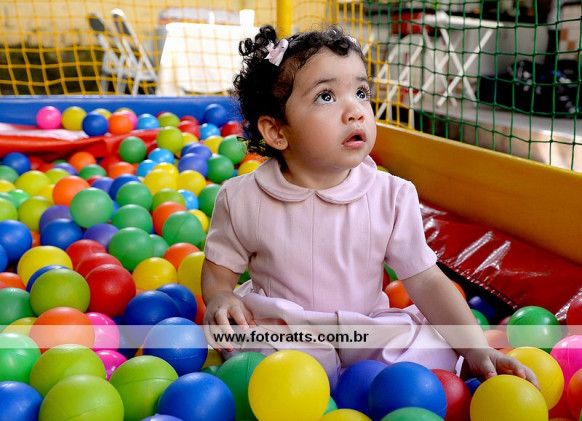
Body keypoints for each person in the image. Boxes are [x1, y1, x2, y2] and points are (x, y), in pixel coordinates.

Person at [201, 24, 538, 389]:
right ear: (277, 131)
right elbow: (220, 273)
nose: (355, 111)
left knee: (429, 351)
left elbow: (426, 279)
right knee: (259, 356)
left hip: (366, 327)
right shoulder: (243, 198)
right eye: (326, 96)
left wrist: (474, 347)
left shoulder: (391, 195)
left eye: (361, 93)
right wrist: (220, 297)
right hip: (285, 329)